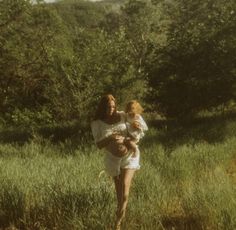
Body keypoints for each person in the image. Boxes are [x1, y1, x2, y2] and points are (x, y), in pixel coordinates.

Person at [91, 94, 145, 229]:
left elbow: (137, 121)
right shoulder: (96, 123)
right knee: (119, 193)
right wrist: (110, 137)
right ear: (102, 107)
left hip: (129, 156)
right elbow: (99, 144)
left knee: (125, 188)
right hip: (113, 159)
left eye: (113, 106)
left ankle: (117, 223)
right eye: (108, 107)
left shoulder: (122, 115)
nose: (112, 109)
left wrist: (137, 125)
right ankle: (119, 217)